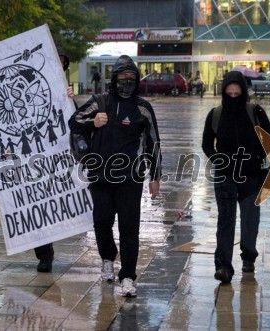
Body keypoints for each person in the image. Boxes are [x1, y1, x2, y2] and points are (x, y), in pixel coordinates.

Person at [68, 55, 162, 297]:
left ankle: (128, 277)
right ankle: (107, 259)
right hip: (100, 176)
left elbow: (153, 143)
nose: (127, 81)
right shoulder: (99, 101)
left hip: (130, 178)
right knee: (101, 222)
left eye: (131, 77)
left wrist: (155, 176)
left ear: (137, 80)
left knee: (129, 229)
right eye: (123, 76)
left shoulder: (143, 108)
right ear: (114, 78)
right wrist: (93, 122)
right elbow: (74, 121)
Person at [201, 71, 270, 284]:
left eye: (237, 93)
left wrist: (256, 157)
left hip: (251, 176)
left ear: (243, 91)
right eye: (229, 93)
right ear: (224, 92)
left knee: (250, 220)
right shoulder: (215, 114)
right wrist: (219, 160)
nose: (233, 96)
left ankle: (248, 257)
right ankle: (223, 266)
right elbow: (207, 144)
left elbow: (269, 140)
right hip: (224, 177)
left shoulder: (255, 111)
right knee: (225, 221)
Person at [33, 48, 74, 272]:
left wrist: (71, 103)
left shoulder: (66, 91)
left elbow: (76, 123)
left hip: (58, 156)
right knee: (36, 202)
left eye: (62, 64)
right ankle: (44, 255)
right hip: (34, 157)